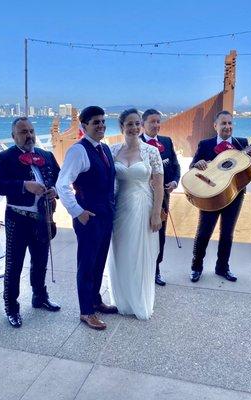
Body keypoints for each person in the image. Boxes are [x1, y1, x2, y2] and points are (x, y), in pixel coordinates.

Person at [0, 117, 61, 328]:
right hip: (18, 218)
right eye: (23, 132)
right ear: (14, 136)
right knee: (14, 265)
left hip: (43, 217)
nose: (29, 135)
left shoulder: (46, 155)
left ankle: (39, 297)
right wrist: (24, 185)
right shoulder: (4, 157)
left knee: (40, 261)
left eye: (31, 131)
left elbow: (60, 178)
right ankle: (11, 307)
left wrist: (55, 191)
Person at [56, 106, 118, 330]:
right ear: (84, 126)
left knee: (99, 260)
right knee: (87, 264)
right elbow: (62, 184)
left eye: (102, 121)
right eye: (95, 122)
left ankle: (95, 300)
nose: (101, 125)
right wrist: (77, 211)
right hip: (89, 217)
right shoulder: (78, 151)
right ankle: (86, 311)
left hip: (106, 215)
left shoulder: (105, 149)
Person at [107, 109, 163, 320]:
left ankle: (139, 300)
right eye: (129, 124)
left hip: (143, 207)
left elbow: (158, 185)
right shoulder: (112, 151)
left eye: (137, 123)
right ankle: (122, 300)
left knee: (140, 254)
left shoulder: (151, 152)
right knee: (121, 252)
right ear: (121, 127)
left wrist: (156, 214)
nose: (134, 128)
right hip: (119, 208)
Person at [189, 110, 251, 283]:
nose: (227, 127)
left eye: (230, 123)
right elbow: (192, 166)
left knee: (227, 233)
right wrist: (197, 164)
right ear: (215, 126)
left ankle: (222, 267)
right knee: (204, 232)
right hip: (210, 194)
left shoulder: (242, 143)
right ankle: (196, 267)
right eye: (223, 123)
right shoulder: (205, 144)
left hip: (234, 193)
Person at [140, 109, 180, 286]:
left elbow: (175, 166)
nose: (156, 125)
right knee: (142, 233)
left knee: (160, 234)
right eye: (152, 122)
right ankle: (142, 269)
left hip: (163, 197)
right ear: (143, 125)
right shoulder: (137, 144)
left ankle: (156, 270)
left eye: (158, 121)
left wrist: (174, 182)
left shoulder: (166, 142)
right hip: (142, 197)